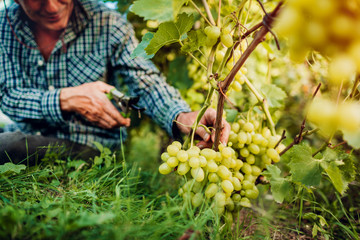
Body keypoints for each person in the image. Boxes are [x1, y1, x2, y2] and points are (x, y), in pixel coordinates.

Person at [0, 0, 230, 164]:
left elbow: (145, 81)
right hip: (26, 134)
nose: (52, 6)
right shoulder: (4, 26)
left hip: (91, 146)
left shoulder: (107, 22)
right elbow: (7, 95)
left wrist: (181, 116)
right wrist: (65, 99)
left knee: (8, 145)